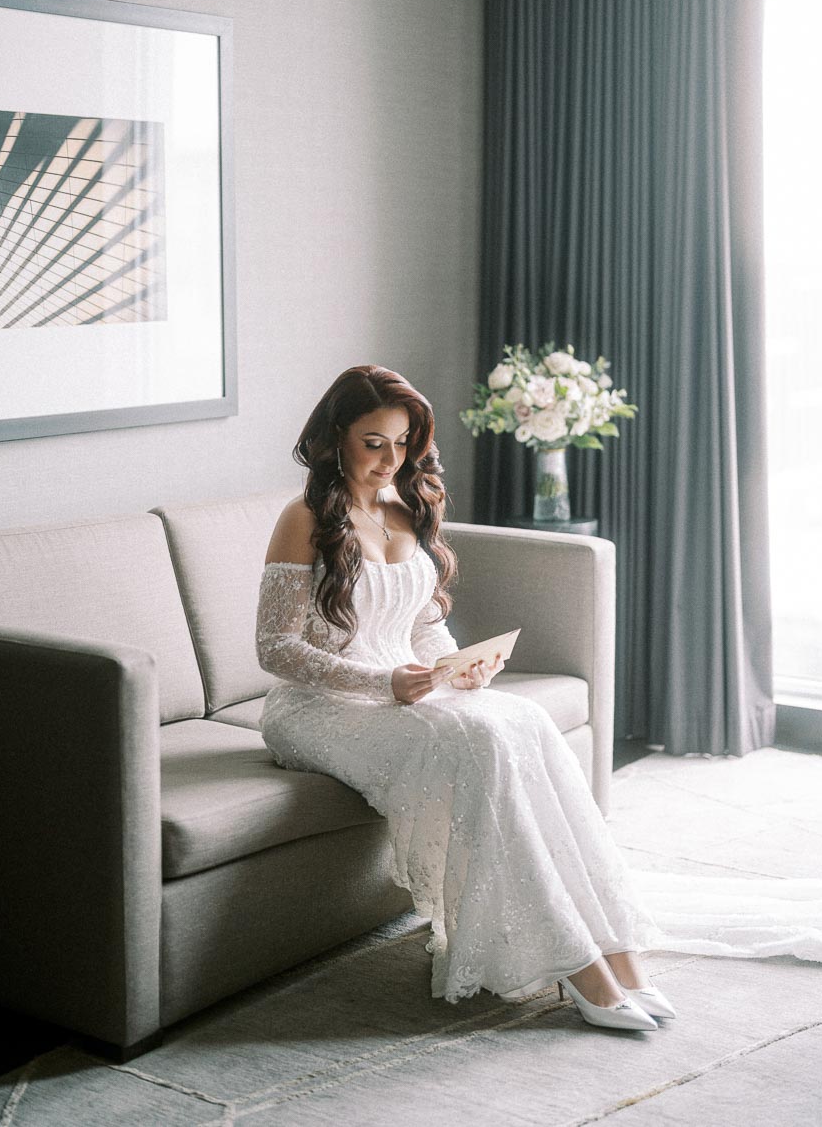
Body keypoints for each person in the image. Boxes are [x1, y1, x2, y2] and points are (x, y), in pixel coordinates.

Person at [255, 364, 673, 1032]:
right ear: (335, 437)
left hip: (406, 689)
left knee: (523, 720)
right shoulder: (303, 518)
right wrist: (383, 682)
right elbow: (274, 651)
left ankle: (619, 957)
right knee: (475, 740)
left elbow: (420, 622)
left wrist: (457, 668)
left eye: (401, 445)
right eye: (373, 443)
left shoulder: (401, 504)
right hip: (316, 707)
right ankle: (577, 967)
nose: (389, 460)